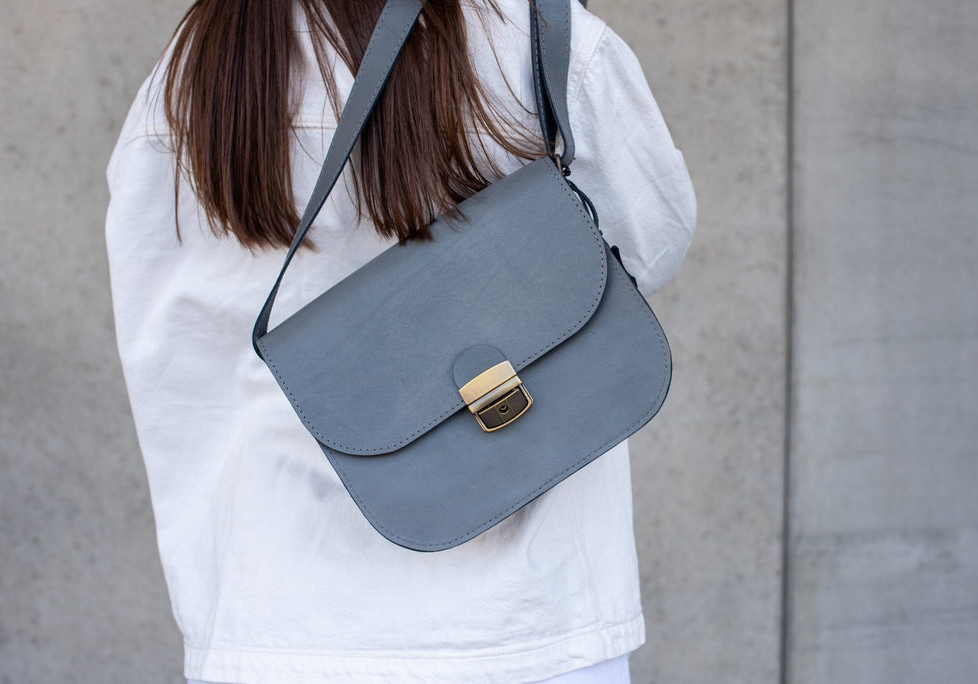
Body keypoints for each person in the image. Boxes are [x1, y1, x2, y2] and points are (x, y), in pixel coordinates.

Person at [105, 0, 695, 681]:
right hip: (531, 622)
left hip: (280, 618)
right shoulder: (534, 34)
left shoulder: (197, 70)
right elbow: (647, 245)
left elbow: (167, 345)